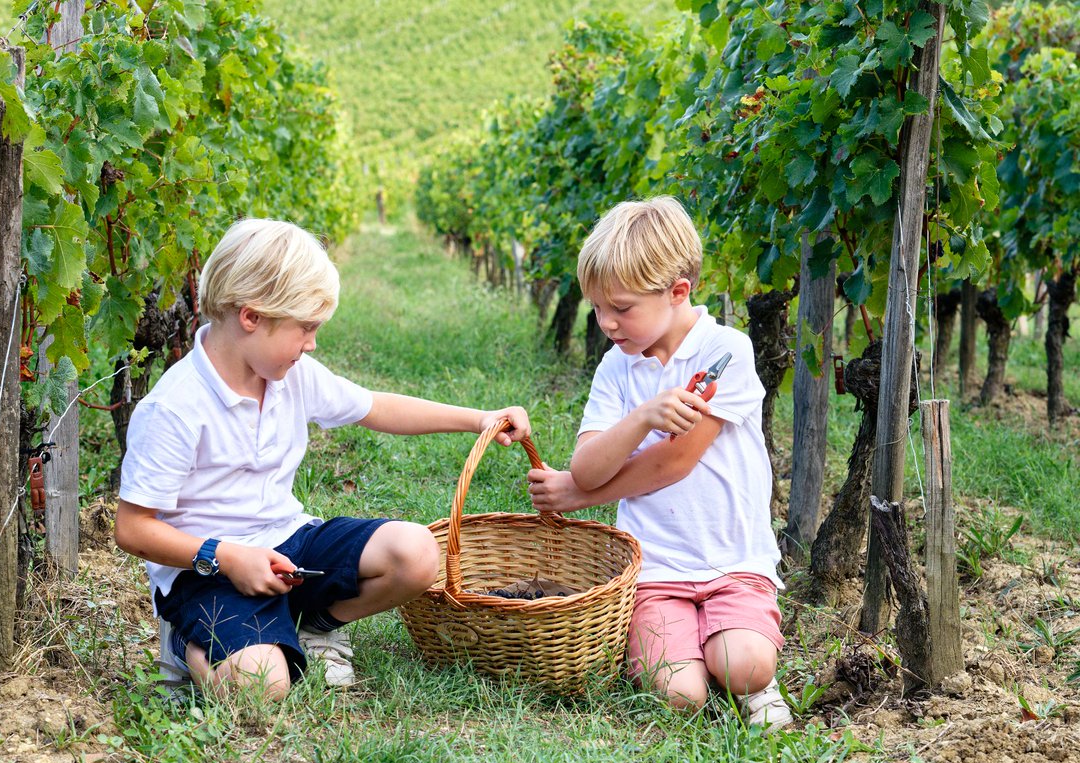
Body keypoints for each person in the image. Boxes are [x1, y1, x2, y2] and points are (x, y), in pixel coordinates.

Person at [115, 218, 530, 700]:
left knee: (416, 553)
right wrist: (227, 557)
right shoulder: (174, 408)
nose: (312, 344)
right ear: (251, 317)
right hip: (207, 571)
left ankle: (314, 625)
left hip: (289, 544)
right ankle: (190, 645)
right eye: (305, 329)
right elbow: (133, 529)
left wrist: (479, 418)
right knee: (262, 686)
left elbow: (376, 407)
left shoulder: (292, 374)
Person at [526, 196, 791, 732]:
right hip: (657, 568)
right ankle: (695, 649)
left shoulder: (725, 351)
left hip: (733, 561)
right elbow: (586, 466)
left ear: (677, 292)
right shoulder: (616, 368)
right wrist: (644, 414)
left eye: (620, 308)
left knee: (744, 666)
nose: (606, 323)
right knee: (679, 695)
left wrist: (579, 498)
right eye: (597, 308)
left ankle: (748, 673)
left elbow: (674, 463)